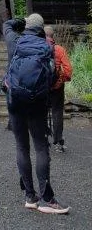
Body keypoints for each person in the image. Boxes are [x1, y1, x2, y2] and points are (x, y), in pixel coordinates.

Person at [2, 13, 70, 214]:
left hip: (15, 101)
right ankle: (47, 199)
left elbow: (7, 24)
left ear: (26, 26)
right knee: (41, 147)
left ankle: (30, 196)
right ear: (41, 29)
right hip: (37, 103)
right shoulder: (47, 46)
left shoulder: (15, 41)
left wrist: (21, 21)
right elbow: (53, 75)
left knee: (21, 147)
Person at [44, 25, 73, 153]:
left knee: (41, 112)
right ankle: (58, 142)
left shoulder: (37, 48)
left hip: (41, 87)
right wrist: (62, 80)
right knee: (57, 112)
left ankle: (43, 140)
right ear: (53, 36)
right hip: (56, 87)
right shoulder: (59, 49)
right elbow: (67, 70)